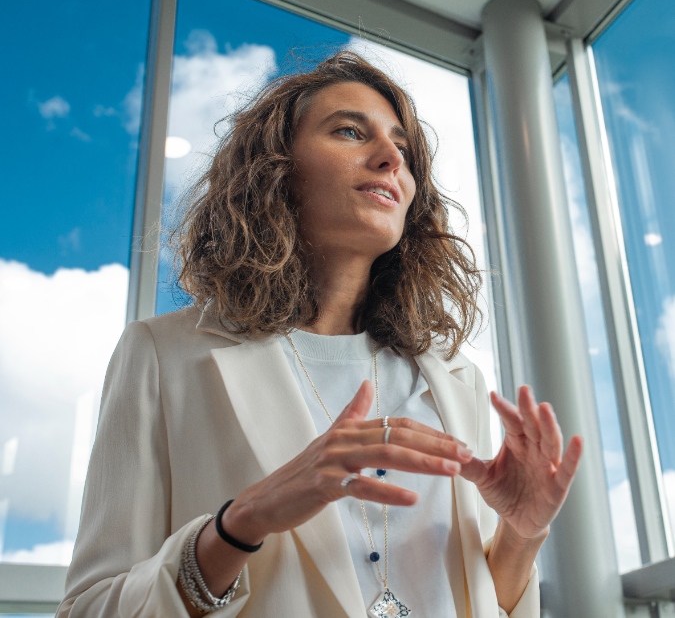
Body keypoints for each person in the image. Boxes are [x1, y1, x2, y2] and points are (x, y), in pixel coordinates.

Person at [57, 51, 583, 618]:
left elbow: (480, 599)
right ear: (274, 169)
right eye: (351, 132)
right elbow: (91, 608)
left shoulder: (457, 381)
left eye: (403, 151)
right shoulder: (164, 356)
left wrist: (521, 536)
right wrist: (240, 524)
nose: (390, 159)